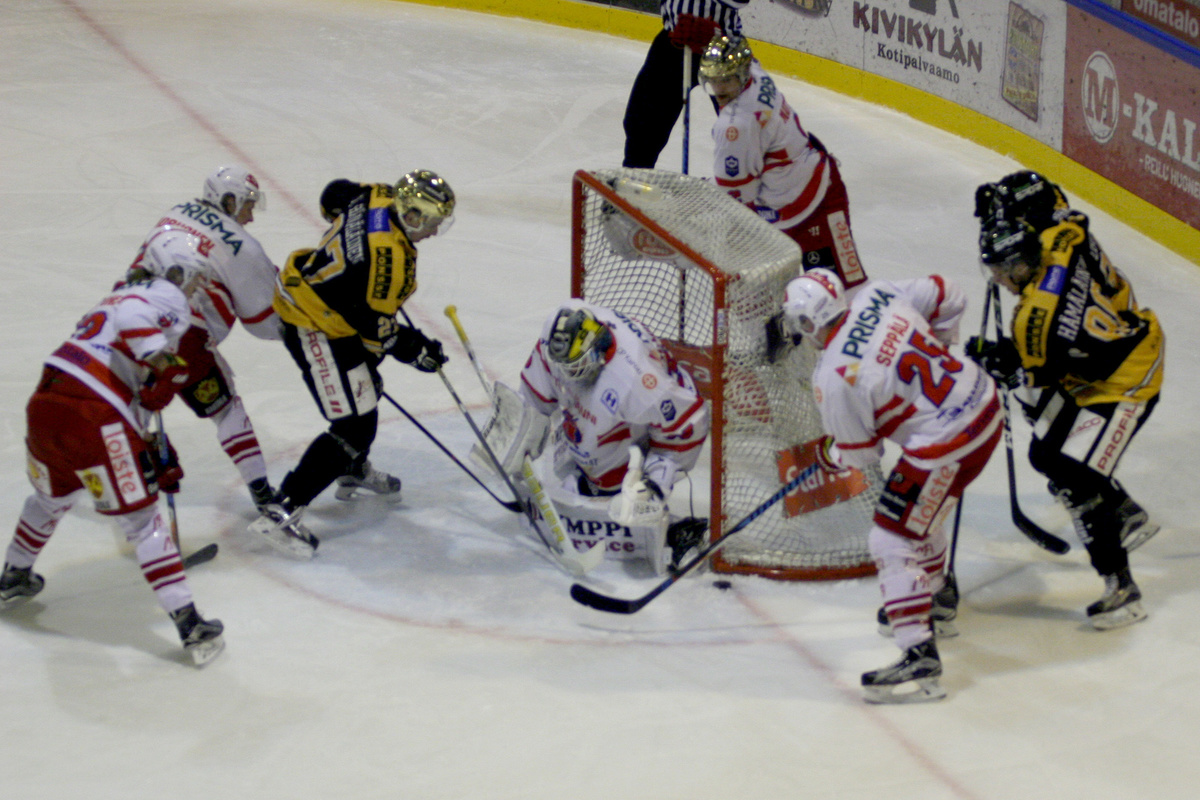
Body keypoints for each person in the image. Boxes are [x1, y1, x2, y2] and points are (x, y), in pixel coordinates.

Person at [0, 230, 225, 666]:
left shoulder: (117, 295)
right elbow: (139, 330)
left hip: (46, 404)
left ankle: (13, 575)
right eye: (193, 276)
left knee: (49, 498)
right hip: (95, 415)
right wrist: (163, 359)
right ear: (173, 271)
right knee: (143, 523)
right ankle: (190, 624)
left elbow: (143, 395)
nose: (197, 287)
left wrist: (151, 432)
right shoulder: (160, 296)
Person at [779, 268, 1002, 703]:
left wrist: (833, 452)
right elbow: (947, 291)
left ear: (809, 323)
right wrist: (939, 349)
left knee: (890, 536)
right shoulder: (877, 295)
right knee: (920, 513)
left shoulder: (832, 378)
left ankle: (917, 649)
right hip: (985, 402)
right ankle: (935, 595)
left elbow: (863, 459)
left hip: (947, 443)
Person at [970, 170, 1164, 630]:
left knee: (1068, 469)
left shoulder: (1034, 322)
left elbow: (1036, 379)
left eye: (1001, 270)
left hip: (1130, 375)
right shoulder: (1064, 233)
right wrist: (998, 208)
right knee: (1048, 454)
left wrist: (1004, 363)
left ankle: (1122, 587)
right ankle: (1122, 509)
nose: (996, 279)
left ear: (1020, 264)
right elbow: (1045, 200)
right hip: (1109, 341)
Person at [248, 171, 455, 557]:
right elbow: (376, 330)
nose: (434, 230)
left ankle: (349, 468)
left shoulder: (379, 195)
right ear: (411, 215)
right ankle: (283, 509)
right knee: (354, 426)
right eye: (432, 222)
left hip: (324, 305)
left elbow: (333, 194)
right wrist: (418, 349)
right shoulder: (387, 259)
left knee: (367, 389)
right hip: (315, 324)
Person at [509, 300, 711, 573]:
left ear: (597, 351)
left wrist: (655, 482)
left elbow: (688, 424)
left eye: (575, 367)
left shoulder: (639, 381)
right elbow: (540, 383)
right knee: (580, 445)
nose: (567, 377)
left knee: (618, 493)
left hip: (662, 415)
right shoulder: (558, 332)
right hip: (610, 398)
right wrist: (523, 427)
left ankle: (667, 522)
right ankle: (592, 481)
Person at [136, 165, 281, 512]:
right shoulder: (242, 246)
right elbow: (263, 320)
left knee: (131, 407)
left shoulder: (175, 213)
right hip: (185, 338)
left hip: (129, 321)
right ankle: (263, 496)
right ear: (229, 201)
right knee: (225, 406)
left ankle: (125, 488)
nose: (251, 216)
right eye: (248, 205)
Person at [699, 34, 868, 291]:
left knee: (843, 294)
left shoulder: (736, 125)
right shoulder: (754, 71)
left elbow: (736, 200)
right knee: (777, 307)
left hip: (815, 203)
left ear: (742, 74)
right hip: (784, 201)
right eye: (713, 79)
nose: (719, 88)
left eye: (726, 80)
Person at [622, 0, 749, 169]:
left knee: (744, 128)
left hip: (724, 48)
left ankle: (754, 187)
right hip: (673, 42)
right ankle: (633, 183)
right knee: (642, 125)